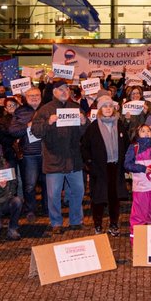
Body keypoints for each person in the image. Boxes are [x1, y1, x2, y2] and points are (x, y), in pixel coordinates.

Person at [34, 79, 88, 232]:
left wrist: (84, 122)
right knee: (53, 195)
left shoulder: (76, 108)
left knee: (78, 191)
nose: (65, 92)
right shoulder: (45, 110)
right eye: (61, 89)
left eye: (67, 89)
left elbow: (85, 132)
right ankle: (56, 223)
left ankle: (76, 221)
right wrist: (48, 123)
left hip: (73, 159)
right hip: (54, 159)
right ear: (54, 92)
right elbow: (36, 131)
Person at [82, 96, 131, 236]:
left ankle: (114, 225)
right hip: (99, 169)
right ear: (100, 109)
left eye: (110, 106)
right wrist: (90, 164)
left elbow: (126, 144)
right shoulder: (93, 127)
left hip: (116, 167)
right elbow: (85, 147)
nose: (108, 108)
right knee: (98, 198)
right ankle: (98, 225)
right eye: (105, 106)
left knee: (114, 198)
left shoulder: (119, 124)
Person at [8, 87, 45, 221]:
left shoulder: (47, 108)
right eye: (31, 96)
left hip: (47, 152)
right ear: (25, 98)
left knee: (48, 183)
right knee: (29, 185)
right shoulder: (20, 111)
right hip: (29, 154)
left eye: (37, 95)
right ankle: (30, 210)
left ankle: (47, 208)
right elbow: (13, 131)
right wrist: (28, 125)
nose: (34, 98)